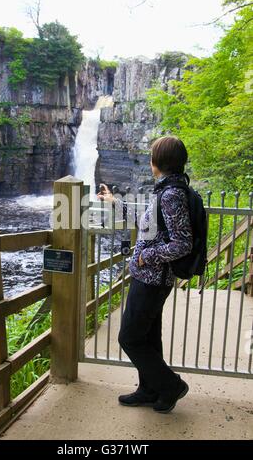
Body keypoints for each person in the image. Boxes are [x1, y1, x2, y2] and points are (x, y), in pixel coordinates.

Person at [97, 136, 193, 414]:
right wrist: (115, 203)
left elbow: (182, 242)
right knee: (149, 338)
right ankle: (149, 390)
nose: (150, 160)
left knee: (129, 337)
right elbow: (149, 225)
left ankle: (171, 386)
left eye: (152, 155)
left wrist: (145, 256)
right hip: (149, 278)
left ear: (159, 162)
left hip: (152, 280)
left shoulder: (172, 194)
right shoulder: (167, 190)